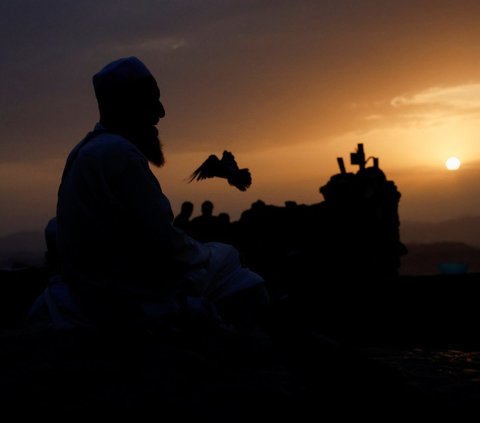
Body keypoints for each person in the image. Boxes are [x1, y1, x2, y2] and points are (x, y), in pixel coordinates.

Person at [28, 57, 269, 335]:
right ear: (129, 106)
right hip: (119, 292)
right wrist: (207, 253)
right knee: (235, 268)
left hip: (93, 282)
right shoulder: (120, 154)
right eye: (152, 102)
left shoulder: (84, 151)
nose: (161, 113)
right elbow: (163, 244)